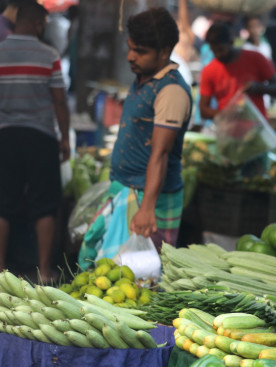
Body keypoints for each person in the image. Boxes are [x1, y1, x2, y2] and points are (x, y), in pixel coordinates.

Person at [78, 8, 192, 268]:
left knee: (139, 276)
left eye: (140, 51)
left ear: (164, 52)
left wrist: (147, 209)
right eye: (130, 48)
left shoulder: (171, 90)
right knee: (104, 270)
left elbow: (161, 154)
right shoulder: (143, 79)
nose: (131, 57)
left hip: (149, 198)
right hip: (124, 189)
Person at [0, 1, 69, 282]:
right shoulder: (49, 55)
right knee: (45, 204)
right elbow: (60, 102)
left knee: (3, 203)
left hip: (5, 135)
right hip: (41, 137)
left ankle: (1, 269)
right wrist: (65, 138)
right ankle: (44, 270)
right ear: (40, 24)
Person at [199, 22, 276, 120]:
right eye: (214, 51)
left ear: (231, 42)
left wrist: (256, 87)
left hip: (257, 125)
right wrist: (228, 114)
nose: (218, 55)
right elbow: (204, 111)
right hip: (229, 130)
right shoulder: (209, 70)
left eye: (221, 50)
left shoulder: (256, 58)